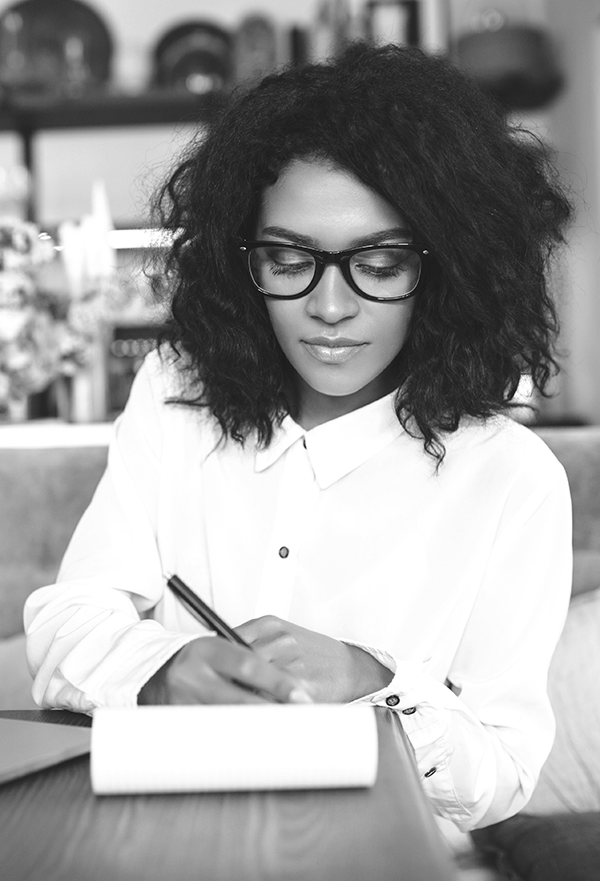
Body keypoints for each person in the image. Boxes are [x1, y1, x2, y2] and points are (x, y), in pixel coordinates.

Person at [24, 43, 573, 831]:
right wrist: (167, 670)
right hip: (167, 840)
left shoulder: (511, 481)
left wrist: (369, 680)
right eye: (289, 259)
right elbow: (66, 621)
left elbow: (502, 777)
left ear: (450, 267)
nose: (330, 308)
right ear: (241, 257)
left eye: (379, 264)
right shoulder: (178, 397)